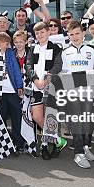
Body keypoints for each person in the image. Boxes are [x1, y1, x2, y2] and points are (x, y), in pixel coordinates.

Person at [50, 21, 94, 168]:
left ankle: (85, 147)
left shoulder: (92, 49)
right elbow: (61, 72)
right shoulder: (65, 52)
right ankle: (78, 153)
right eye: (71, 34)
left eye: (77, 33)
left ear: (83, 33)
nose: (74, 37)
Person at [25, 21, 66, 160]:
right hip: (36, 85)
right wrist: (36, 80)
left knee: (50, 117)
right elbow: (28, 65)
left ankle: (48, 145)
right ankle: (57, 139)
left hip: (50, 85)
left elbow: (58, 66)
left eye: (42, 32)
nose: (40, 34)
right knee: (36, 116)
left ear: (48, 32)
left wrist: (46, 80)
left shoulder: (56, 48)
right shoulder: (31, 48)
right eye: (37, 33)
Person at [0, 32, 25, 154]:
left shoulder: (10, 54)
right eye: (3, 42)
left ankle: (17, 142)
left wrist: (19, 86)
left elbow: (16, 70)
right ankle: (2, 143)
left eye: (7, 43)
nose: (5, 45)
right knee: (0, 118)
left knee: (16, 117)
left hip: (11, 90)